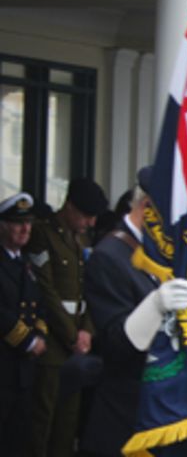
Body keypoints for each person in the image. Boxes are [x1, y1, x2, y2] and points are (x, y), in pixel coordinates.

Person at [80, 170, 187, 456]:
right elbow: (115, 344)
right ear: (146, 208)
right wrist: (154, 306)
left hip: (164, 406)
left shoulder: (162, 254)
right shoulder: (110, 255)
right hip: (127, 414)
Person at [26, 177, 108, 457]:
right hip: (52, 342)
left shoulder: (80, 240)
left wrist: (86, 331)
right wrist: (73, 336)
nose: (90, 224)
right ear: (70, 207)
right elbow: (45, 290)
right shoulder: (42, 234)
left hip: (77, 346)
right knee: (42, 420)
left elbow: (89, 288)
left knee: (67, 423)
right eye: (86, 216)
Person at [0, 193, 47, 455]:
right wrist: (28, 341)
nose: (25, 229)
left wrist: (40, 334)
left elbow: (39, 306)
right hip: (5, 364)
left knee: (18, 440)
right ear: (3, 225)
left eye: (28, 223)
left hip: (23, 372)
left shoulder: (25, 263)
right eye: (18, 223)